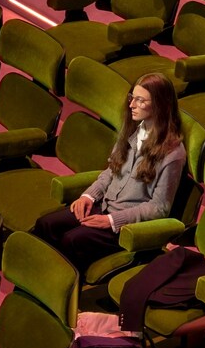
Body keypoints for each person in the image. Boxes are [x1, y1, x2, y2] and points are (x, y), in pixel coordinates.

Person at [34, 72, 187, 271]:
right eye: (132, 97)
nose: (131, 105)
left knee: (71, 240)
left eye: (140, 101)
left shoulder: (173, 153)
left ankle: (61, 293)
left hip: (124, 225)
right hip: (102, 205)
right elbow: (111, 171)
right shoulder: (133, 130)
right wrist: (89, 196)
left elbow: (159, 207)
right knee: (46, 224)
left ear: (160, 105)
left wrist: (111, 220)